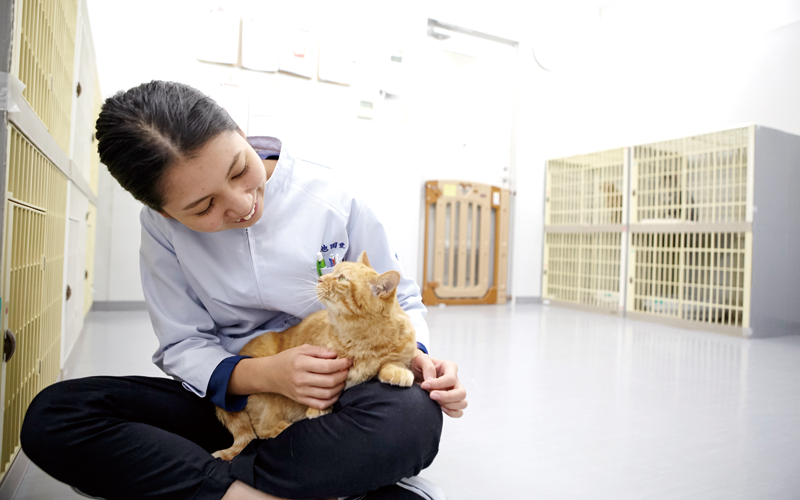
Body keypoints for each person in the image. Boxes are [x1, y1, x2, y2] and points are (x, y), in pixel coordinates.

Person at [20, 81, 467, 500]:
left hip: (337, 393)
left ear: (239, 130)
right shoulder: (160, 231)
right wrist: (268, 375)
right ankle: (315, 483)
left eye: (239, 170)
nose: (242, 204)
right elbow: (183, 343)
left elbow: (400, 297)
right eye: (203, 206)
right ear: (161, 210)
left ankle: (215, 483)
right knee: (55, 415)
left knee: (411, 417)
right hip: (232, 403)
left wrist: (416, 356)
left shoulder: (334, 194)